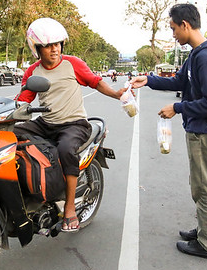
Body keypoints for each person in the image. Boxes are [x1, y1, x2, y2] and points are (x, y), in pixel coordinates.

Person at [130, 3, 207, 260]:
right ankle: (203, 230)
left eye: (174, 28)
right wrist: (149, 80)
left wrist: (177, 107)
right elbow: (179, 81)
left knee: (204, 187)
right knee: (199, 184)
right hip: (198, 130)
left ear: (185, 25)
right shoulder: (196, 54)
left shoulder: (206, 57)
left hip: (205, 132)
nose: (173, 34)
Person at [16, 18, 128, 232]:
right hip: (46, 122)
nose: (54, 49)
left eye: (57, 44)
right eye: (48, 45)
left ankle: (69, 208)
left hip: (73, 124)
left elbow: (95, 81)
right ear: (37, 48)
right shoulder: (33, 71)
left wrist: (116, 94)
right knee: (12, 134)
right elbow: (24, 100)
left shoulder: (72, 63)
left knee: (66, 149)